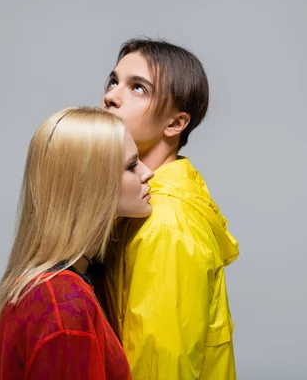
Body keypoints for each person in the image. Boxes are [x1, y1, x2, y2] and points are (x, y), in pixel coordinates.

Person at [99, 39, 240, 379]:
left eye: (138, 88)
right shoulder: (136, 203)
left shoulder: (166, 224)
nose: (112, 96)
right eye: (114, 81)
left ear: (176, 124)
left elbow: (161, 367)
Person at [0, 106, 154, 380]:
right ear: (93, 185)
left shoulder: (39, 289)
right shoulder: (64, 306)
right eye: (131, 165)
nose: (148, 172)